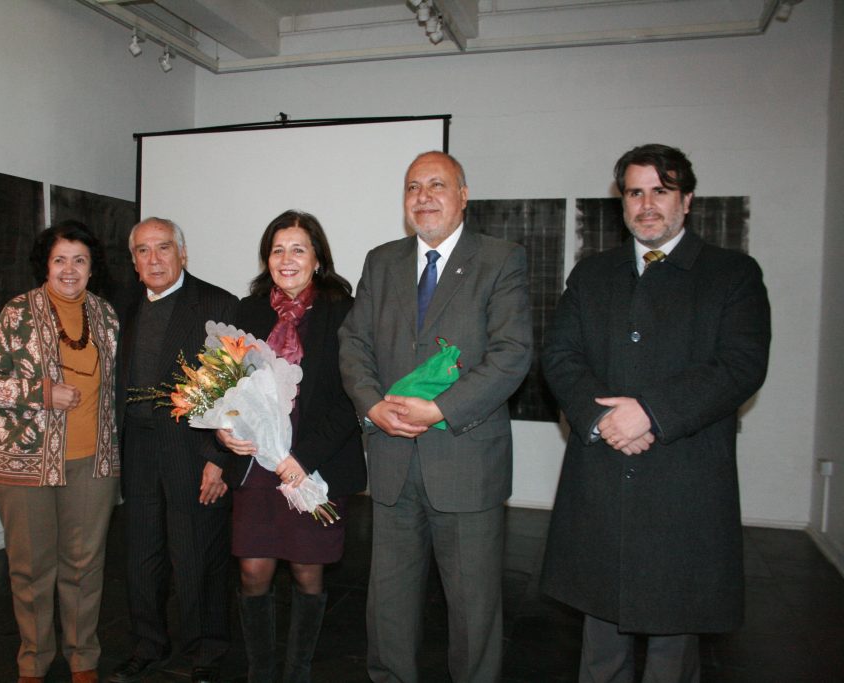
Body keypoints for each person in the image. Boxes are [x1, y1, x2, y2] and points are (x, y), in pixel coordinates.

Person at [540, 143, 771, 682]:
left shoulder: (732, 274)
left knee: (673, 645)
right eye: (634, 193)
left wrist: (651, 412)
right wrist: (601, 418)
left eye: (660, 191)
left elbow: (741, 365)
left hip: (683, 486)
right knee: (600, 646)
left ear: (686, 200)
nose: (646, 205)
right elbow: (560, 355)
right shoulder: (592, 274)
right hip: (601, 478)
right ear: (622, 202)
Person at [339, 151, 533, 682]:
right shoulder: (381, 261)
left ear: (463, 195)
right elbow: (353, 343)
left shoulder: (500, 259)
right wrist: (372, 405)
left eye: (436, 185)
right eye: (412, 187)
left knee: (473, 608)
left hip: (466, 463)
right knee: (388, 602)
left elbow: (512, 353)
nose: (423, 197)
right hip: (392, 458)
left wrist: (440, 408)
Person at [216, 210, 367, 683]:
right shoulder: (248, 310)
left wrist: (303, 460)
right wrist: (223, 428)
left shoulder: (344, 311)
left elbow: (353, 396)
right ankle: (260, 672)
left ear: (317, 259)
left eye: (298, 249)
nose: (287, 259)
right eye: (277, 250)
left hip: (315, 462)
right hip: (258, 463)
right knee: (253, 571)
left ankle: (297, 671)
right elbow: (225, 386)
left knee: (306, 570)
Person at [0, 220, 121, 683]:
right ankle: (33, 661)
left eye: (80, 260)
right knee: (32, 569)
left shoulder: (106, 316)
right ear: (46, 265)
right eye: (60, 260)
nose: (69, 270)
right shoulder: (18, 312)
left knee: (84, 567)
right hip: (24, 463)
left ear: (92, 268)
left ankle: (83, 659)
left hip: (93, 462)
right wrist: (41, 393)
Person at [110, 217, 237, 683]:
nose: (154, 259)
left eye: (163, 248)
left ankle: (205, 650)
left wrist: (218, 459)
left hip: (193, 448)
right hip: (137, 446)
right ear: (134, 261)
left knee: (196, 553)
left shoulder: (217, 304)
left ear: (182, 253)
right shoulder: (122, 307)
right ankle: (147, 644)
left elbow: (234, 388)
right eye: (143, 251)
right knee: (141, 555)